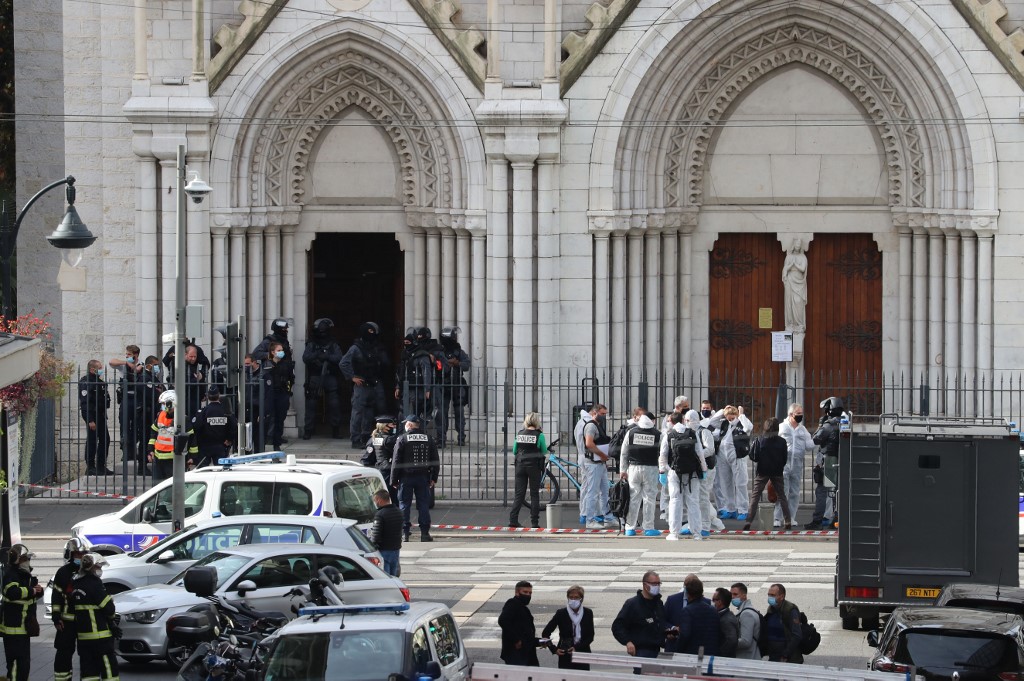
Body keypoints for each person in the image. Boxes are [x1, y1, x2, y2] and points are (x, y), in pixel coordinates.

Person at [391, 414, 441, 542]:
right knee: (423, 505)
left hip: (406, 477)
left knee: (404, 505)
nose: (404, 425)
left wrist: (394, 479)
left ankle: (404, 534)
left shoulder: (402, 439)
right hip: (423, 477)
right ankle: (425, 534)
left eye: (405, 423)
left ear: (409, 425)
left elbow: (396, 461)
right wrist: (434, 478)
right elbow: (435, 460)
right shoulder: (428, 439)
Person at [340, 321, 390, 448]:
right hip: (362, 385)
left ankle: (366, 436)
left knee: (371, 412)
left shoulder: (376, 347)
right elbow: (343, 363)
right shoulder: (356, 348)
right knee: (358, 413)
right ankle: (355, 439)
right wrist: (352, 377)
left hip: (375, 383)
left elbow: (384, 363)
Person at [660, 412, 709, 541]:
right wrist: (703, 470)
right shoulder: (692, 433)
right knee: (693, 502)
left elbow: (663, 455)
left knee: (675, 501)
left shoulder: (669, 435)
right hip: (692, 472)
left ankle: (674, 533)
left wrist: (662, 472)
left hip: (674, 472)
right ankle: (697, 533)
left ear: (671, 421)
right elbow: (699, 453)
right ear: (683, 420)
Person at [71, 553, 119, 681]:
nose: (100, 569)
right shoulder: (95, 584)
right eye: (99, 566)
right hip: (101, 638)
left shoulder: (76, 584)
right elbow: (109, 609)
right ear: (92, 567)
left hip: (83, 639)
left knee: (88, 674)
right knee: (109, 672)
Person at [1, 544, 43, 681]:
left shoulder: (25, 575)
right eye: (25, 559)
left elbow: (30, 598)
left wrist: (38, 591)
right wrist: (31, 591)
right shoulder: (10, 575)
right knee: (14, 667)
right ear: (17, 560)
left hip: (24, 630)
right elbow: (12, 592)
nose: (28, 562)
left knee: (24, 667)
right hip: (13, 631)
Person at [742, 418, 792, 531]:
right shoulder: (782, 441)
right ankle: (787, 520)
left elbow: (753, 455)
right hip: (777, 471)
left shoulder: (760, 439)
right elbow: (785, 458)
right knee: (782, 496)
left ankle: (748, 521)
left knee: (755, 496)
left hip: (762, 470)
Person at [611, 570, 672, 663]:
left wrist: (669, 632)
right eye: (654, 584)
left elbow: (661, 623)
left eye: (659, 584)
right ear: (645, 585)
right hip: (642, 651)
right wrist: (627, 642)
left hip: (657, 650)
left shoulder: (658, 603)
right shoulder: (632, 604)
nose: (657, 586)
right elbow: (617, 626)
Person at [619, 413, 662, 536]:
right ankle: (648, 527)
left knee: (633, 498)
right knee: (649, 498)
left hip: (633, 468)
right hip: (651, 469)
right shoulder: (658, 434)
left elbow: (624, 452)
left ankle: (629, 527)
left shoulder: (631, 433)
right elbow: (663, 452)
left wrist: (623, 470)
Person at [302, 317, 345, 440]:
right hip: (315, 377)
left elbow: (339, 358)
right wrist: (317, 355)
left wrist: (327, 357)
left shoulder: (333, 344)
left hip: (330, 376)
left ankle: (336, 430)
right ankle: (308, 430)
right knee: (311, 404)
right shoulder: (312, 344)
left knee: (334, 404)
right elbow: (306, 358)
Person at [710, 405, 753, 520]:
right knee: (726, 483)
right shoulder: (724, 424)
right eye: (728, 418)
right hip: (723, 456)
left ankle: (743, 510)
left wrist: (741, 414)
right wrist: (723, 410)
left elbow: (749, 427)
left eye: (732, 418)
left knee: (740, 483)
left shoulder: (741, 424)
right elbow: (712, 421)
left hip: (737, 456)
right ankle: (730, 509)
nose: (730, 420)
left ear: (736, 416)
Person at [51, 538, 86, 681]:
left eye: (83, 554)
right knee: (64, 654)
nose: (81, 557)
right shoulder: (63, 572)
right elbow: (56, 596)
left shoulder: (88, 572)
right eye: (78, 554)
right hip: (66, 622)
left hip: (85, 621)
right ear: (71, 554)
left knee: (87, 655)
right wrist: (56, 617)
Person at [778, 402, 815, 529]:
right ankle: (777, 518)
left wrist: (818, 438)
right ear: (791, 414)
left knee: (794, 493)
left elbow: (809, 446)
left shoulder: (803, 430)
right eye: (798, 414)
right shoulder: (782, 427)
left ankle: (791, 518)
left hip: (797, 465)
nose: (800, 416)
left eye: (801, 414)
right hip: (783, 464)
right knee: (782, 492)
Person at [509, 412, 548, 529]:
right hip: (534, 467)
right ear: (537, 421)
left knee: (519, 494)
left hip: (520, 466)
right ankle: (534, 522)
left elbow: (515, 451)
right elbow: (544, 450)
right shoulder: (539, 435)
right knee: (534, 494)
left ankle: (513, 519)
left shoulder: (520, 434)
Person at [542, 585, 594, 670]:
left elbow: (590, 636)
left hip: (582, 652)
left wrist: (577, 648)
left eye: (576, 598)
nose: (573, 600)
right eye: (571, 597)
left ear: (581, 599)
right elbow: (545, 633)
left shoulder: (588, 613)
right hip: (565, 653)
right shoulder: (561, 613)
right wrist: (554, 649)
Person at [109, 344, 145, 468]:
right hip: (126, 399)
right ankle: (126, 452)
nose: (127, 356)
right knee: (124, 425)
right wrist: (126, 363)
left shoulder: (142, 364)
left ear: (136, 355)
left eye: (129, 355)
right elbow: (111, 362)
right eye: (126, 354)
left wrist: (135, 366)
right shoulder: (124, 365)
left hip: (137, 399)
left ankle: (134, 451)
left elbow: (139, 371)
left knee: (136, 426)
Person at [576, 403, 610, 529]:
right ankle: (589, 519)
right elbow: (589, 444)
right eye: (602, 414)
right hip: (592, 463)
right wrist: (602, 455)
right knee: (592, 491)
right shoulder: (590, 426)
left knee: (605, 490)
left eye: (605, 414)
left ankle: (608, 517)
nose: (604, 416)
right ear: (594, 413)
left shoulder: (595, 425)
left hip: (598, 462)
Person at [435, 326, 470, 447]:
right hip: (443, 385)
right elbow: (436, 364)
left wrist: (457, 363)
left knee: (459, 412)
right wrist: (446, 362)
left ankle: (461, 438)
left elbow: (466, 365)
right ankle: (441, 439)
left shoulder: (458, 351)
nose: (455, 338)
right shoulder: (439, 351)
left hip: (457, 384)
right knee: (441, 413)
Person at [813, 396, 844, 529]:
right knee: (838, 492)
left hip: (829, 462)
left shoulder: (828, 426)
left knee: (822, 491)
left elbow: (815, 439)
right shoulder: (847, 422)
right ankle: (836, 519)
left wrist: (820, 425)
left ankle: (817, 521)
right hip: (842, 461)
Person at [189, 385, 237, 468]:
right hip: (221, 445)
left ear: (207, 397)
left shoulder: (203, 412)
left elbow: (196, 427)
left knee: (203, 470)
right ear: (219, 395)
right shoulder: (226, 411)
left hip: (205, 446)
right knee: (221, 470)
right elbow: (233, 426)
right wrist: (229, 439)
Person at [79, 360, 113, 476]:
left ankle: (100, 465)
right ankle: (90, 466)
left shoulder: (100, 382)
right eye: (99, 367)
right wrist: (89, 420)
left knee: (105, 440)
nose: (101, 369)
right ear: (92, 369)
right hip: (92, 416)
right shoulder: (86, 382)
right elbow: (85, 403)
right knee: (92, 441)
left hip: (101, 415)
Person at [670, 576, 719, 655]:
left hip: (692, 654)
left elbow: (685, 635)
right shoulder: (713, 609)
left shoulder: (687, 611)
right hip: (710, 652)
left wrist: (678, 650)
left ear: (688, 593)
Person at [498, 581, 544, 666]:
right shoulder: (512, 603)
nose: (528, 595)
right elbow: (503, 620)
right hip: (516, 653)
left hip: (526, 652)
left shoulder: (522, 607)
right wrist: (516, 640)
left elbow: (525, 633)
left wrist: (539, 642)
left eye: (530, 593)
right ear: (517, 593)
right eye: (525, 592)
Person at [262, 341, 294, 449]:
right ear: (272, 352)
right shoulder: (267, 364)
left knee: (280, 420)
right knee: (268, 419)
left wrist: (288, 392)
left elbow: (291, 379)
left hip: (282, 394)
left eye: (282, 350)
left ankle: (277, 444)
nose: (281, 352)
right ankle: (264, 441)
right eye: (278, 350)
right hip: (270, 395)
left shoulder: (286, 364)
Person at [761, 583, 803, 663]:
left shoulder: (790, 610)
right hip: (773, 655)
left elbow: (797, 635)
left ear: (782, 596)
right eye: (769, 595)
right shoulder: (771, 608)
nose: (770, 597)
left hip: (787, 658)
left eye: (773, 595)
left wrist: (786, 654)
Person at [362, 415, 400, 503]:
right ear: (384, 426)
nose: (394, 427)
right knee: (392, 496)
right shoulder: (390, 440)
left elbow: (367, 458)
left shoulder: (373, 439)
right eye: (392, 425)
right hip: (389, 471)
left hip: (380, 470)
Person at [370, 489, 404, 577]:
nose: (375, 503)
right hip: (396, 549)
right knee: (394, 576)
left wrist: (371, 546)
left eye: (375, 500)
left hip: (384, 550)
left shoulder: (380, 514)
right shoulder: (399, 512)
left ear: (379, 500)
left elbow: (376, 535)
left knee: (385, 576)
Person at [730, 582, 762, 660]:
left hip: (748, 658)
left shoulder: (746, 614)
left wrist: (728, 643)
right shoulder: (748, 610)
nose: (732, 597)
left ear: (744, 596)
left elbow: (746, 641)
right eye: (731, 594)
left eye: (735, 594)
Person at [712, 587, 739, 657]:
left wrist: (720, 654)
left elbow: (732, 641)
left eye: (713, 600)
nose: (712, 603)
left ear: (720, 602)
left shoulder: (726, 620)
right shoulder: (724, 615)